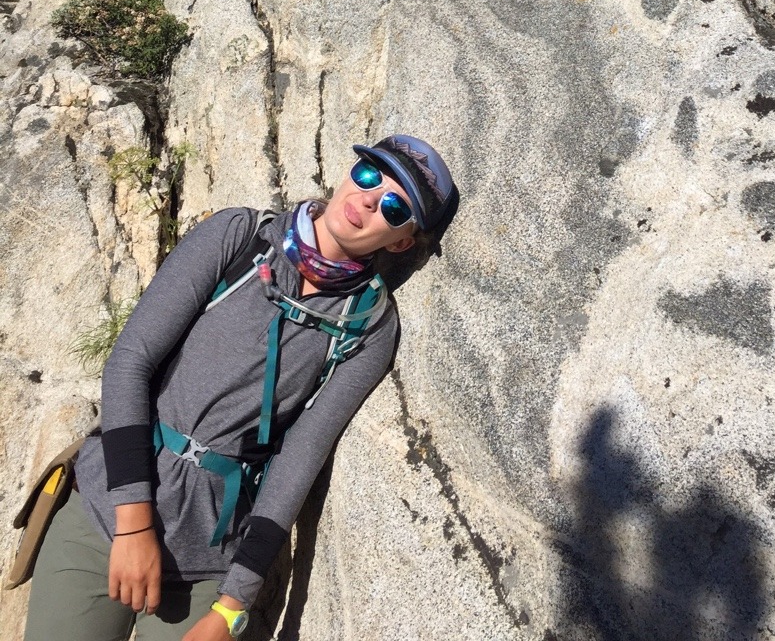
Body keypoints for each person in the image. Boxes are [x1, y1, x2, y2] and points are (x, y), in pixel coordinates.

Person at [24, 133, 457, 641]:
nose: (366, 198)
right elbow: (130, 363)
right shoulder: (239, 237)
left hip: (207, 556)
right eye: (368, 176)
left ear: (401, 241)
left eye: (392, 206)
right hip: (106, 509)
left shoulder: (368, 326)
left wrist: (232, 607)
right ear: (348, 173)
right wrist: (135, 523)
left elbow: (302, 457)